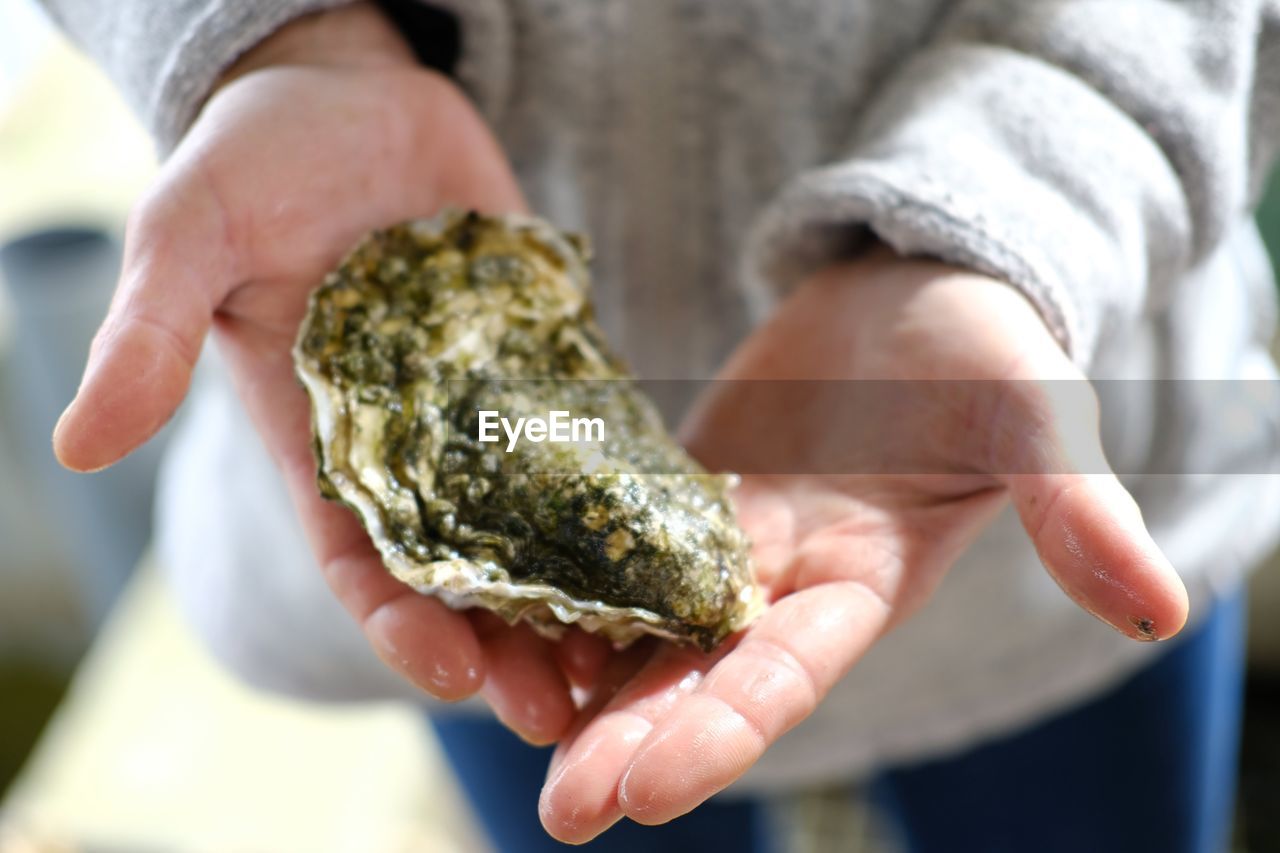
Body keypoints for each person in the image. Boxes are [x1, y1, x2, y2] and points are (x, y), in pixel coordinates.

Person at [41, 0, 1280, 849]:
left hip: (1025, 473)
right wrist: (264, 42)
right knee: (595, 795)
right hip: (497, 626)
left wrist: (1029, 191)